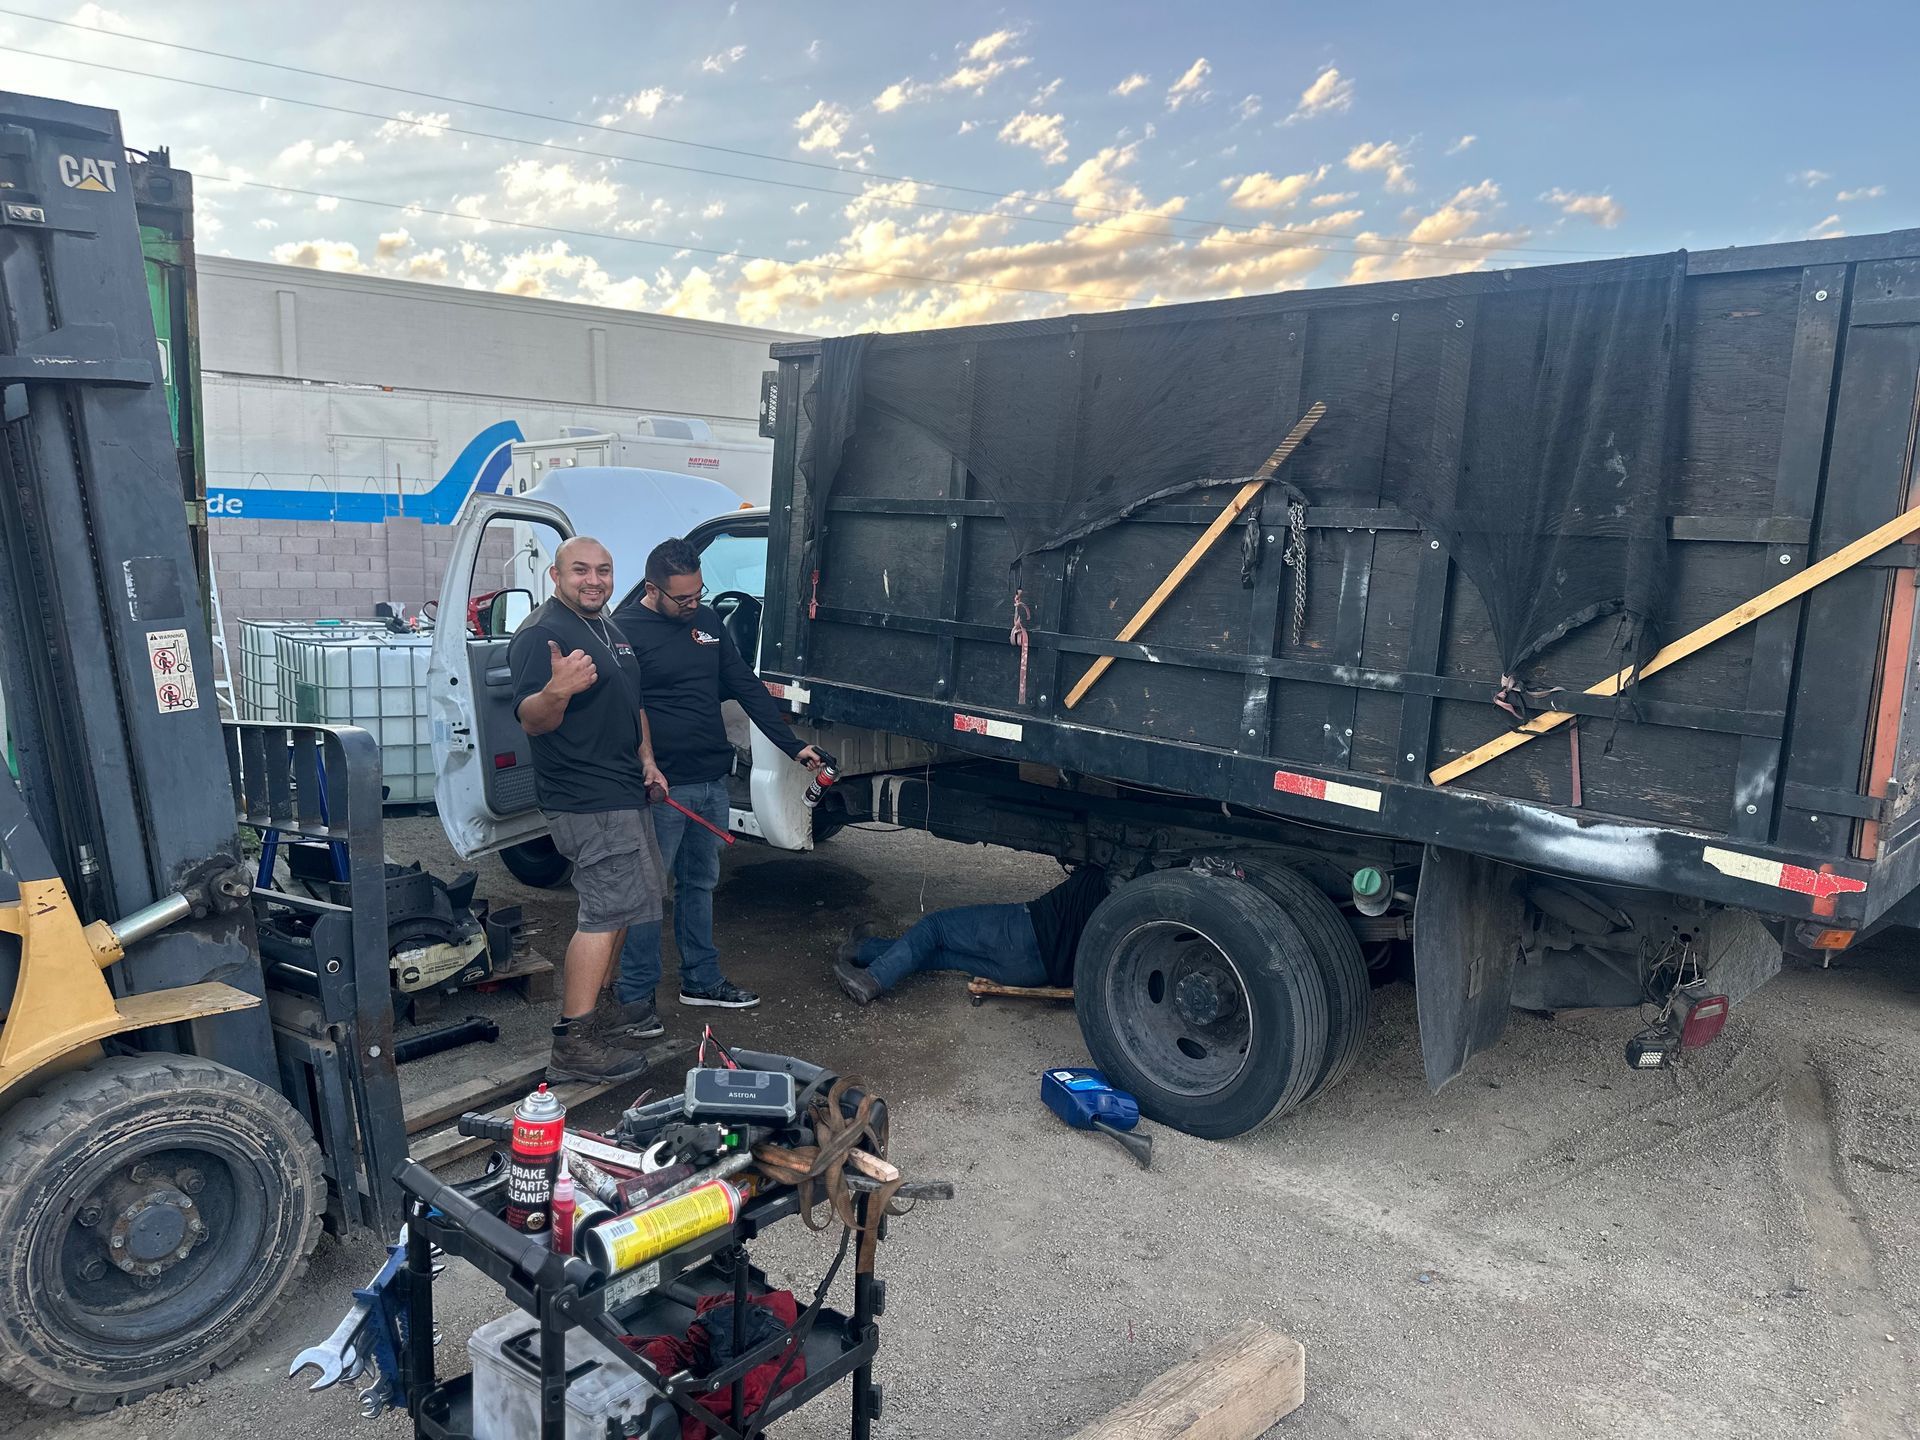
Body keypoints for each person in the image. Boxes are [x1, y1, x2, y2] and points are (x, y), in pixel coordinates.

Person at [609, 537, 825, 1031]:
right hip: (662, 788)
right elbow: (619, 712)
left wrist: (793, 746)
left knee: (700, 883)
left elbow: (745, 685)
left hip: (710, 779)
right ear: (652, 590)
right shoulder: (625, 632)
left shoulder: (706, 622)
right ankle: (636, 996)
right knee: (646, 892)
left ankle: (701, 980)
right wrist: (641, 768)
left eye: (699, 594)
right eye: (682, 598)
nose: (693, 606)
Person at [509, 535, 670, 1083]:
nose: (594, 579)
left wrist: (646, 757)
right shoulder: (542, 633)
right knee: (603, 913)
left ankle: (598, 1018)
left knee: (625, 908)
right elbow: (533, 718)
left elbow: (632, 703)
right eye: (580, 570)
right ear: (556, 575)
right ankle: (574, 1042)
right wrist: (558, 690)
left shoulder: (609, 626)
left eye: (603, 569)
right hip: (586, 798)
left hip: (624, 787)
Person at [831, 865, 1109, 1005]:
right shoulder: (1125, 910)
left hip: (1023, 931)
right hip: (1037, 972)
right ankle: (863, 950)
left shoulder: (1108, 874)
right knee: (941, 954)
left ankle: (872, 980)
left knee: (935, 926)